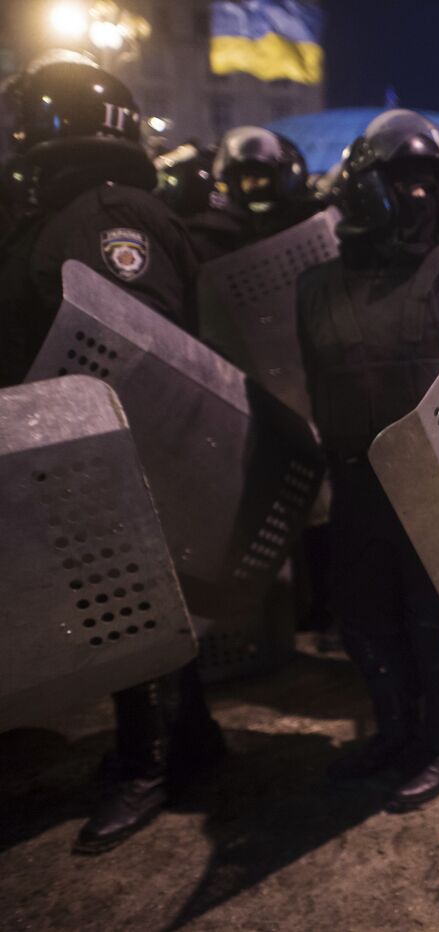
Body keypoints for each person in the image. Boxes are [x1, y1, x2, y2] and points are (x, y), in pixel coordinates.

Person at [0, 51, 221, 854]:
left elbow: (127, 348)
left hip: (110, 451)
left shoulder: (106, 217)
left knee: (131, 611)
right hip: (82, 445)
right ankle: (190, 742)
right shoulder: (74, 210)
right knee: (138, 608)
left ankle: (149, 763)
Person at [296, 109, 439, 811]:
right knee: (364, 619)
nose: (419, 197)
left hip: (430, 489)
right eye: (404, 179)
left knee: (426, 622)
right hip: (354, 481)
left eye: (432, 182)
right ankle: (394, 732)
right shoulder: (313, 286)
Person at [186, 126, 319, 262]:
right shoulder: (210, 236)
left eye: (260, 178)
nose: (252, 187)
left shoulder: (307, 221)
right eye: (247, 178)